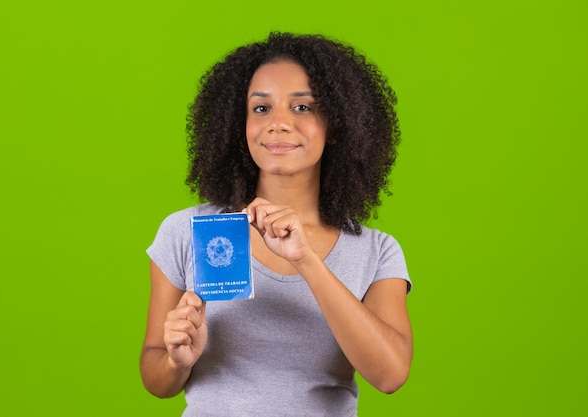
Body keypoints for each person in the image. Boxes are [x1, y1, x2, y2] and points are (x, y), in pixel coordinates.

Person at [141, 32, 412, 416]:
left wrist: (306, 260)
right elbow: (156, 379)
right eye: (261, 109)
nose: (279, 124)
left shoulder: (377, 250)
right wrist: (177, 360)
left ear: (336, 126)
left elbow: (390, 375)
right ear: (240, 124)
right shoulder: (187, 231)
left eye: (302, 108)